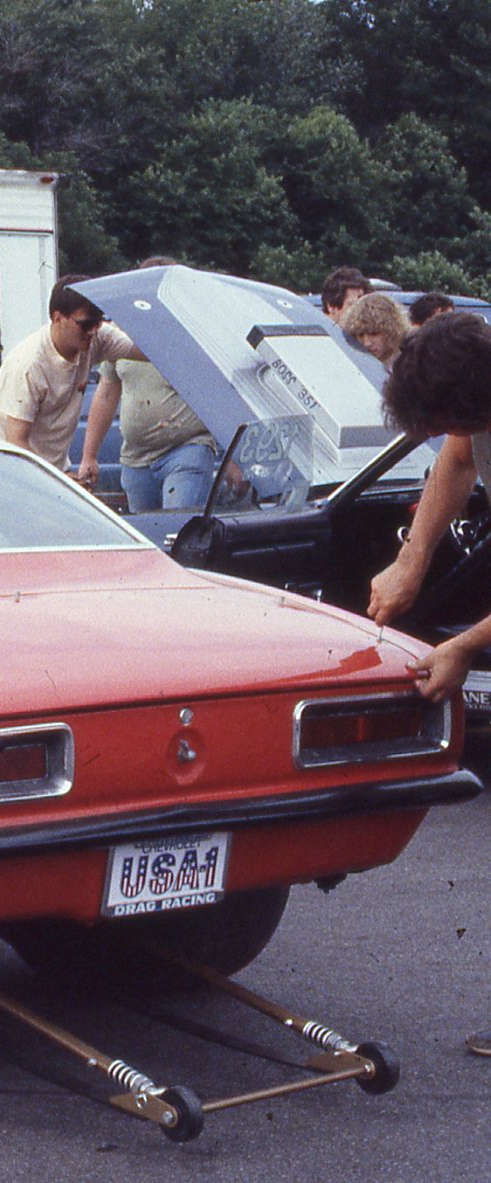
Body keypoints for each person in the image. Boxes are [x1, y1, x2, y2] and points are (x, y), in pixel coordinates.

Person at [370, 311, 491, 1057]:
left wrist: (465, 650)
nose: (440, 430)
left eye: (442, 416)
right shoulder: (474, 410)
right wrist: (412, 561)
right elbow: (456, 460)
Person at [76, 257, 220, 510]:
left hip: (187, 448)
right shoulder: (120, 333)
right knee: (147, 537)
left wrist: (230, 461)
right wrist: (89, 456)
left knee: (178, 531)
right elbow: (106, 394)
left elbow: (215, 395)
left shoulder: (190, 333)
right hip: (135, 460)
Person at [0, 275, 143, 470]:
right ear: (57, 318)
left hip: (52, 468)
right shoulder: (28, 364)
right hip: (9, 470)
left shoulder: (96, 338)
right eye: (85, 324)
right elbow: (16, 442)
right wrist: (61, 481)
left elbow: (148, 350)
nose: (93, 331)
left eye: (98, 322)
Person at [339, 291, 412, 367]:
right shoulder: (350, 365)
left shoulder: (410, 365)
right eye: (360, 335)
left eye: (374, 334)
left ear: (392, 331)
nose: (367, 343)